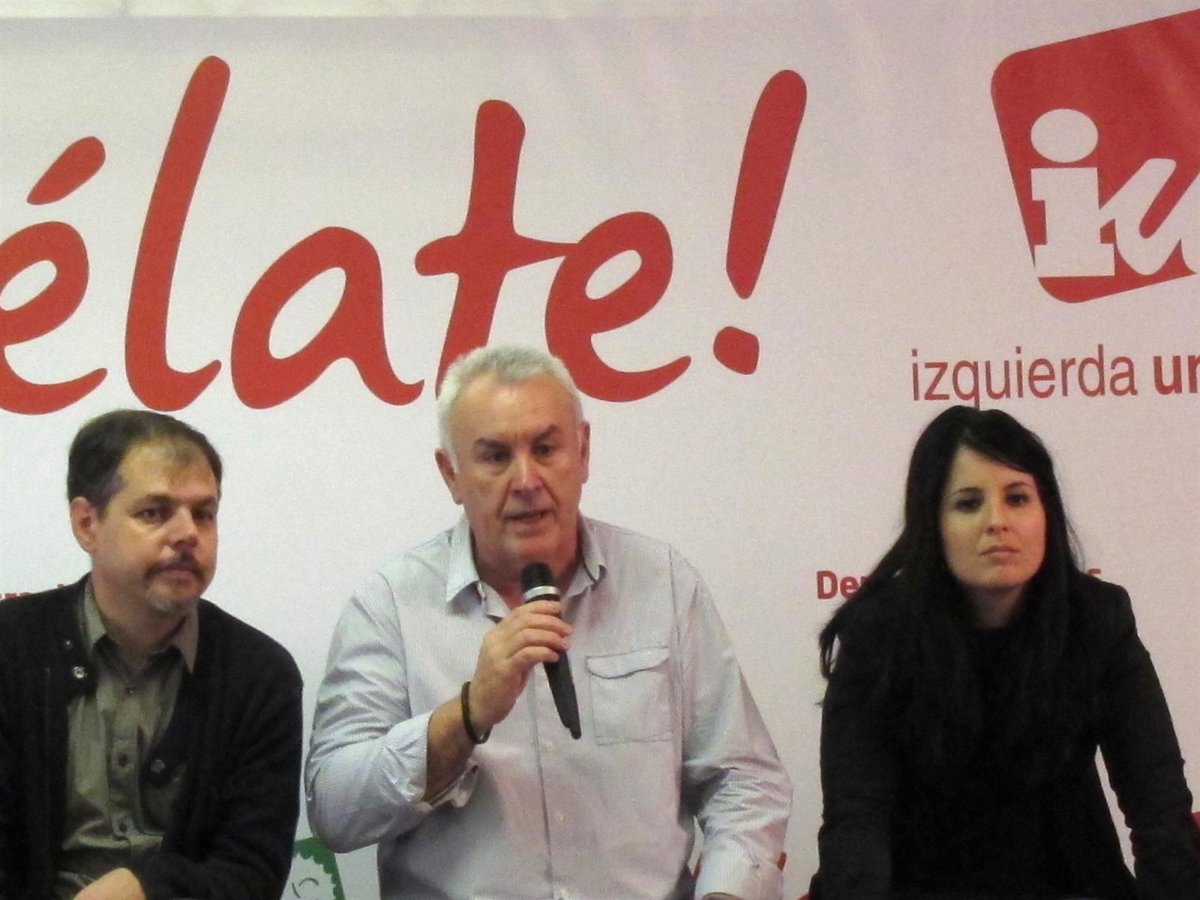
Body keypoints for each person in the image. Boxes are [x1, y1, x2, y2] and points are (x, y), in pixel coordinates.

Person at [305, 344, 791, 900]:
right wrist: (466, 715)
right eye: (495, 456)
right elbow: (334, 809)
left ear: (583, 452)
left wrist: (727, 894)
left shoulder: (663, 584)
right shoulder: (391, 604)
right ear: (451, 473)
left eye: (545, 448)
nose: (526, 480)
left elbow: (744, 780)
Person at [810, 405, 1200, 900]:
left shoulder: (1098, 619)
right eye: (968, 503)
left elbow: (1159, 806)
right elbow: (855, 820)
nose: (997, 522)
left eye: (1017, 498)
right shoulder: (878, 632)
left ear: (1046, 513)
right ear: (932, 522)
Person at [0, 410, 304, 900]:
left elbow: (252, 872)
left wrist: (149, 888)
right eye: (154, 513)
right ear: (87, 524)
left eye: (203, 514)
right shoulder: (11, 647)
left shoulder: (260, 674)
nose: (188, 534)